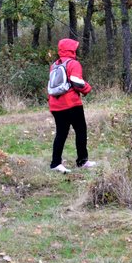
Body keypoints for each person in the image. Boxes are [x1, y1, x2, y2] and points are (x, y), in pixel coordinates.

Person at [48, 38, 95, 173]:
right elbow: (77, 82)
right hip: (71, 104)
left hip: (55, 105)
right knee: (81, 131)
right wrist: (87, 88)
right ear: (71, 49)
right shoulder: (73, 64)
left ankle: (55, 163)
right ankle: (82, 161)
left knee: (61, 133)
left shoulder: (55, 65)